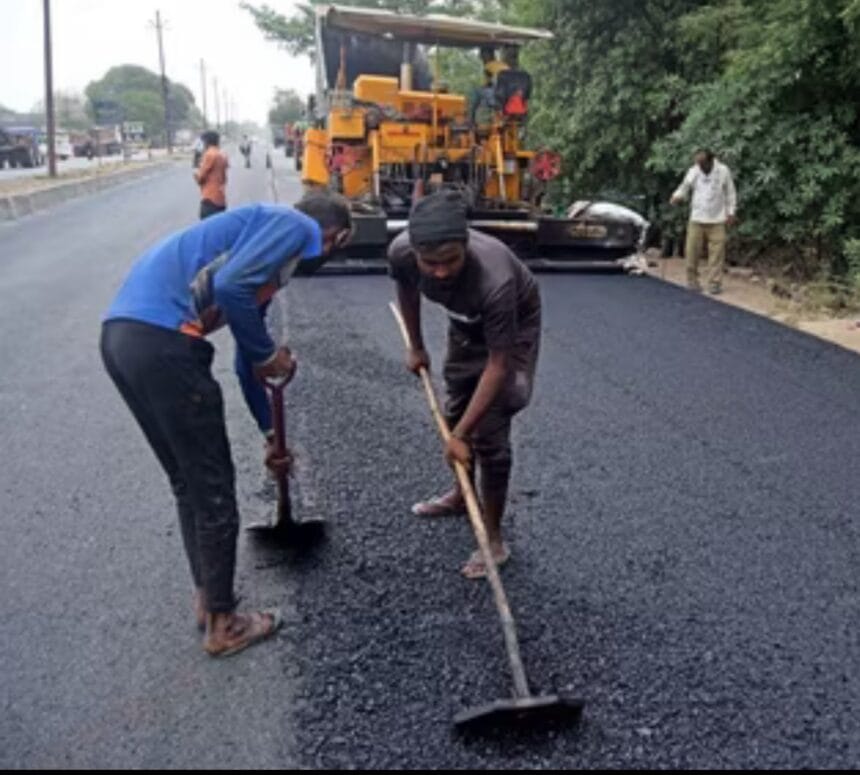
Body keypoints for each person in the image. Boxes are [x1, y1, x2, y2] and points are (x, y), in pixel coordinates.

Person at [100, 193, 353, 657]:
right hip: (163, 341)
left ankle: (207, 600)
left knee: (189, 482)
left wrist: (271, 433)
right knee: (213, 487)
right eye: (333, 245)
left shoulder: (259, 254)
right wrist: (269, 354)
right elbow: (233, 290)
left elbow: (245, 363)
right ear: (335, 236)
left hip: (122, 339)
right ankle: (224, 626)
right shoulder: (294, 226)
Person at [388, 191, 542, 579]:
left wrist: (459, 435)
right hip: (464, 321)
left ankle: (492, 538)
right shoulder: (402, 253)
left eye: (450, 261)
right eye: (430, 263)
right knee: (457, 399)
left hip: (512, 330)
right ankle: (462, 495)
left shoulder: (496, 280)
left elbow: (498, 364)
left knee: (490, 427)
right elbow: (406, 289)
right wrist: (416, 346)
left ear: (466, 245)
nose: (439, 272)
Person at [670, 149, 738, 294]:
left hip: (717, 218)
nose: (700, 166)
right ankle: (692, 280)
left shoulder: (723, 171)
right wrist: (677, 196)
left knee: (717, 253)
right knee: (692, 250)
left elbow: (730, 193)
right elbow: (684, 187)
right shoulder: (694, 171)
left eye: (703, 163)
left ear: (711, 160)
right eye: (698, 163)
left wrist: (731, 212)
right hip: (697, 217)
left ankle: (714, 283)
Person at [194, 131, 228, 220]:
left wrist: (195, 174)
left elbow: (200, 178)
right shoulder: (222, 154)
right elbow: (224, 179)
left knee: (206, 228)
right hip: (221, 198)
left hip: (210, 199)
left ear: (206, 141)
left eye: (202, 142)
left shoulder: (209, 154)